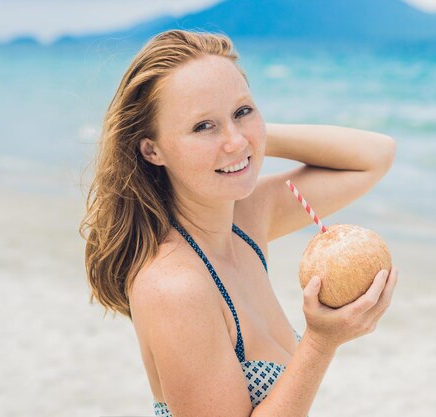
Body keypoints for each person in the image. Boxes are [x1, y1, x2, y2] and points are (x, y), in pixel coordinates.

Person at [80, 29, 398, 417]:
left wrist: (251, 137)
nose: (233, 141)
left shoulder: (246, 216)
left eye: (243, 110)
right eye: (202, 127)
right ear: (152, 149)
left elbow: (376, 155)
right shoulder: (173, 287)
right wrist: (320, 342)